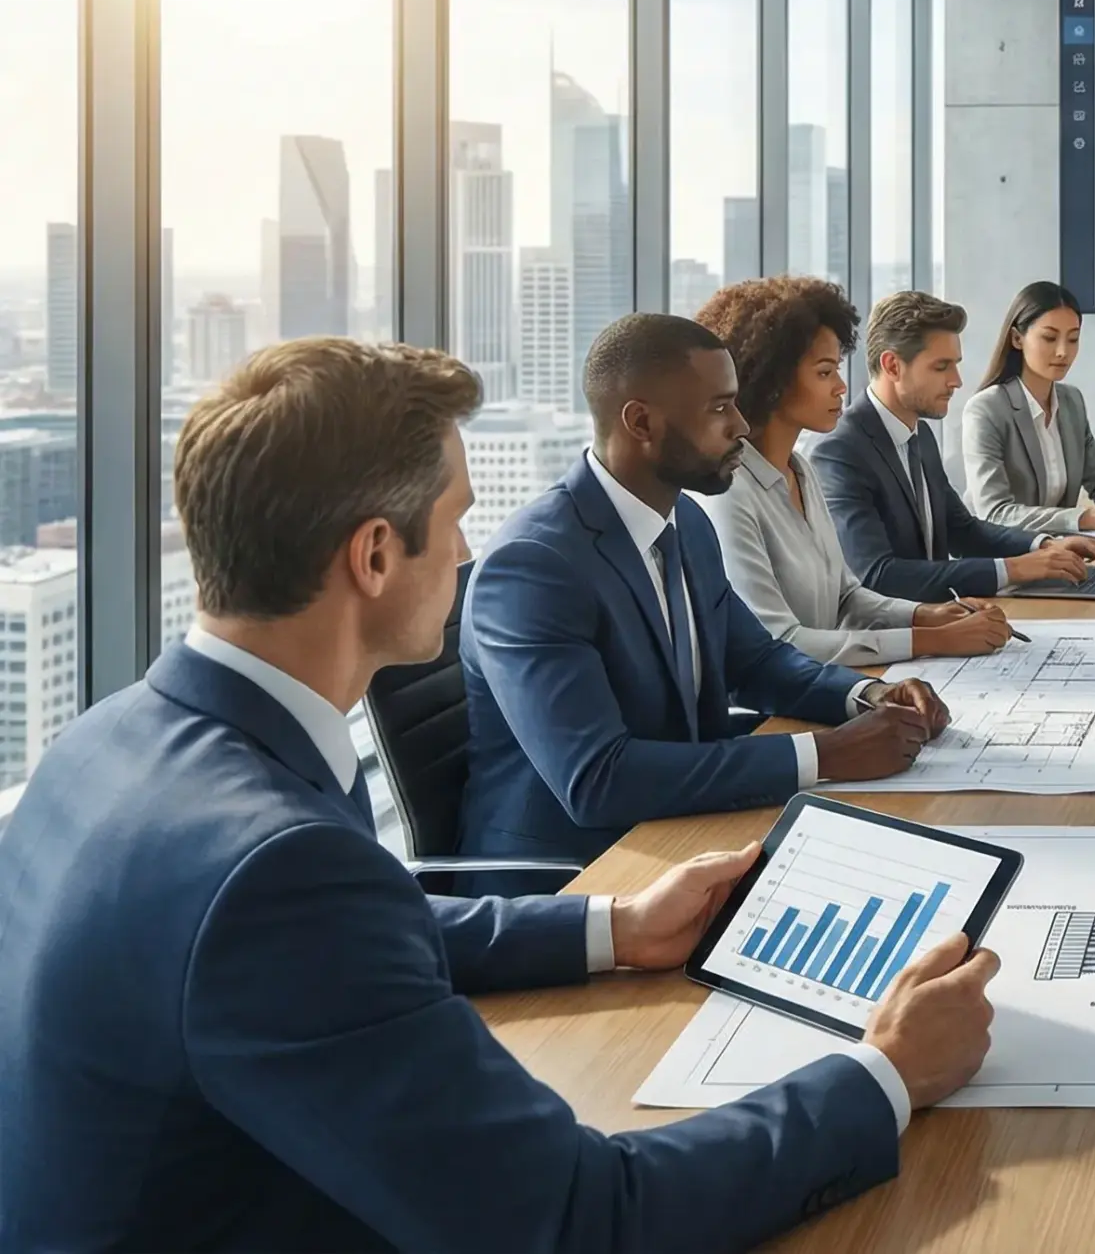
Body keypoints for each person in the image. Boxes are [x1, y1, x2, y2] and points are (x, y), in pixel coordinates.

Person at [0, 338, 1000, 1249]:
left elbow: (336, 946)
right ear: (376, 554)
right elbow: (579, 1217)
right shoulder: (275, 868)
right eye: (455, 519)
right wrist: (885, 1074)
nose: (472, 553)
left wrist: (612, 926)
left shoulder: (104, 744)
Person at [460, 313, 952, 873]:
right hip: (579, 870)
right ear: (641, 422)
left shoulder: (685, 521)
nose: (741, 424)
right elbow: (597, 779)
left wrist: (865, 696)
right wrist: (825, 754)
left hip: (684, 827)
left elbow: (756, 660)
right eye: (719, 408)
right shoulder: (534, 566)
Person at [694, 276, 1014, 665]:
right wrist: (933, 640)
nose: (842, 387)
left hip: (825, 686)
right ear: (774, 379)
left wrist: (925, 615)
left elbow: (846, 594)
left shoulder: (802, 471)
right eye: (825, 372)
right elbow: (778, 642)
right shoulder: (729, 494)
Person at [810, 290, 1095, 601]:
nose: (956, 380)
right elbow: (877, 576)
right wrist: (1017, 569)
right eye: (941, 367)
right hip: (893, 638)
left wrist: (1044, 545)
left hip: (946, 623)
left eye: (955, 364)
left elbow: (962, 530)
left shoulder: (921, 435)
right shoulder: (840, 452)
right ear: (892, 366)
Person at [960, 281, 1095, 536]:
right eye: (1049, 338)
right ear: (1017, 338)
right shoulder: (985, 410)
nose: (1063, 352)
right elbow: (995, 513)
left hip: (1057, 556)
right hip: (1002, 562)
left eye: (1073, 339)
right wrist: (1090, 518)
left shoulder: (1072, 402)